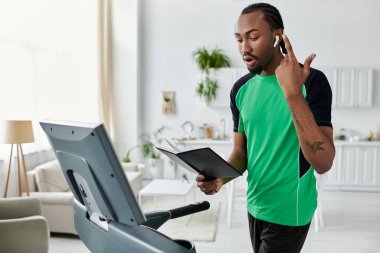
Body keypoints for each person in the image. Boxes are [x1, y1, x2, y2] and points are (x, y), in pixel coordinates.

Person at [196, 3, 335, 253]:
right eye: (239, 39)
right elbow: (241, 154)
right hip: (255, 205)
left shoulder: (311, 82)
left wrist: (293, 93)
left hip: (289, 210)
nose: (244, 48)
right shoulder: (240, 89)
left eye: (253, 37)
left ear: (277, 36)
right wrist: (219, 180)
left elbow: (323, 162)